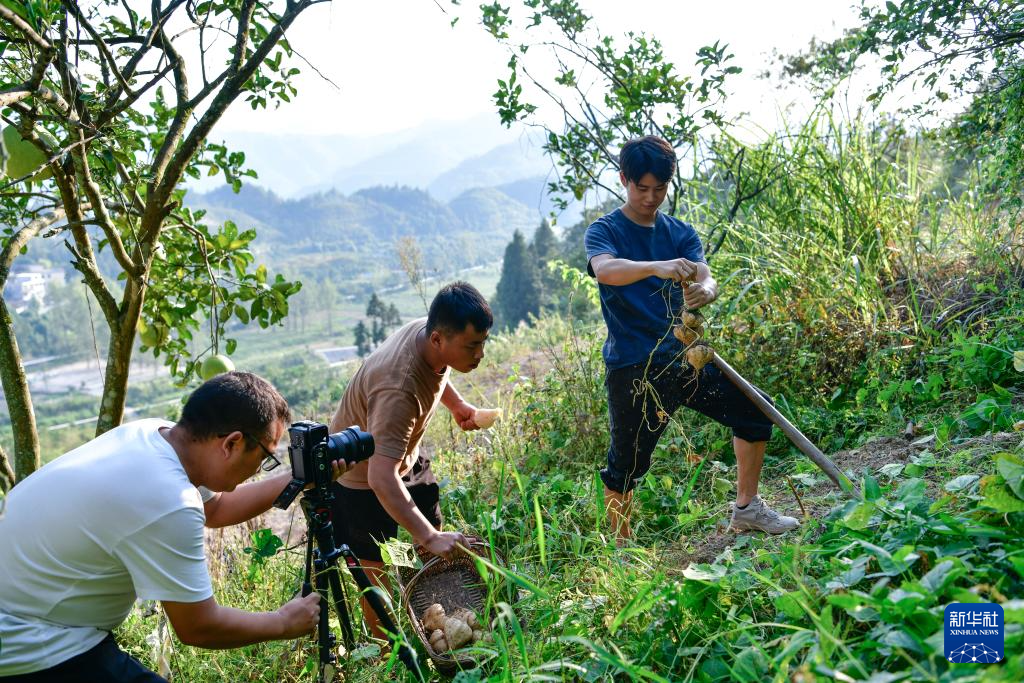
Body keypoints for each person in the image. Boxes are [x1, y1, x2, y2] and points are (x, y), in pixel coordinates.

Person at [0, 371, 352, 681]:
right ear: (232, 443)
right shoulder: (168, 499)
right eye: (263, 459)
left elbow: (218, 508)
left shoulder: (152, 434)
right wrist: (283, 623)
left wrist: (298, 478)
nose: (259, 470)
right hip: (32, 642)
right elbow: (198, 627)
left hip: (27, 614)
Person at [585, 135, 800, 545]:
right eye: (641, 188)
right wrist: (657, 267)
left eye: (660, 189)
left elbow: (704, 274)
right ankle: (620, 548)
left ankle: (747, 509)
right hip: (634, 367)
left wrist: (708, 290)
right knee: (626, 465)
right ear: (623, 180)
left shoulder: (679, 232)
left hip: (688, 358)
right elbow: (607, 270)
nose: (651, 198)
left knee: (756, 411)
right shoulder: (605, 230)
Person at [328, 281, 491, 639]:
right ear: (438, 339)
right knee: (379, 573)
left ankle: (441, 621)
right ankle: (386, 652)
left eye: (482, 343)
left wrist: (457, 405)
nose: (480, 354)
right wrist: (429, 536)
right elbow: (380, 478)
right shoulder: (398, 390)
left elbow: (437, 372)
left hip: (403, 455)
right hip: (363, 478)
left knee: (430, 543)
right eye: (472, 346)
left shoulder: (432, 333)